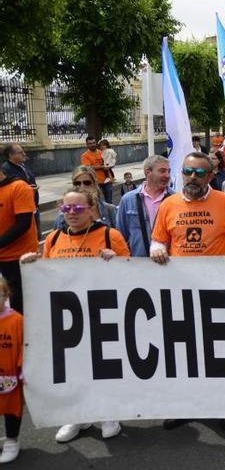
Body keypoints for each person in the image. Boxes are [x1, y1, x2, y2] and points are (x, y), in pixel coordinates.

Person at [149, 152, 225, 431]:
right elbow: (159, 239)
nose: (193, 177)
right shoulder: (169, 205)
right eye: (188, 171)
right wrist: (156, 250)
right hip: (180, 293)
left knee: (218, 352)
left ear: (211, 176)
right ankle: (185, 405)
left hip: (218, 292)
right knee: (183, 352)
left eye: (200, 173)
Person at [21, 189, 129, 442]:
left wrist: (117, 260)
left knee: (105, 365)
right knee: (74, 367)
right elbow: (48, 277)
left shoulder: (109, 235)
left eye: (78, 209)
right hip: (68, 318)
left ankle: (107, 413)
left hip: (104, 313)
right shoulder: (54, 239)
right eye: (66, 209)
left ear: (92, 210)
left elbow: (132, 273)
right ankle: (76, 416)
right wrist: (32, 265)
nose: (71, 213)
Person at [116, 156, 173, 257]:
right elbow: (120, 236)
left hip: (169, 263)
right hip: (138, 264)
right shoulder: (128, 199)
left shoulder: (175, 200)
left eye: (169, 171)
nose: (167, 175)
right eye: (162, 171)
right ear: (147, 172)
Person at [0, 167, 37, 314]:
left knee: (20, 304)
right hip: (2, 256)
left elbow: (23, 224)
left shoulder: (19, 187)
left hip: (20, 258)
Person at [0, 277, 22, 462]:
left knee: (11, 409)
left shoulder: (16, 320)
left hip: (9, 376)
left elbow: (25, 346)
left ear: (6, 295)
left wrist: (23, 368)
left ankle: (11, 439)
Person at [1, 144, 38, 229]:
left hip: (33, 205)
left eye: (23, 151)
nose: (24, 154)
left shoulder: (23, 166)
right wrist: (28, 189)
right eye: (20, 152)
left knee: (35, 233)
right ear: (11, 155)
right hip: (22, 209)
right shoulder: (6, 169)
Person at [80, 136, 109, 202]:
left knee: (109, 201)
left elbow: (109, 162)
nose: (93, 145)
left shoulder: (102, 152)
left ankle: (109, 212)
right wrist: (101, 167)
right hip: (95, 182)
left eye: (94, 143)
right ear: (87, 145)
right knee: (96, 202)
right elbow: (88, 167)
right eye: (90, 143)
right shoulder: (85, 155)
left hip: (107, 180)